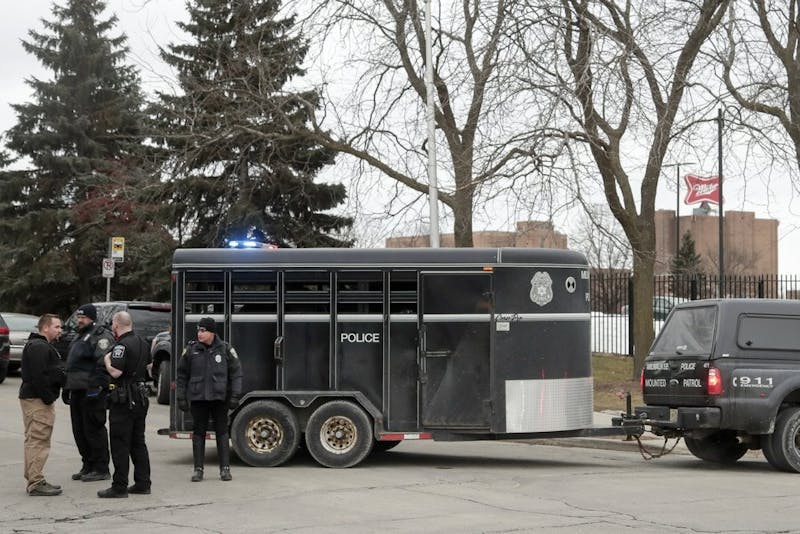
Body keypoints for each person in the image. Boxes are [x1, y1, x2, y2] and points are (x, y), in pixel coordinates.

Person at [176, 317, 242, 482]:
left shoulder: (225, 349)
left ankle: (225, 469)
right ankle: (198, 469)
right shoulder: (191, 350)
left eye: (203, 330)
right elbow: (181, 375)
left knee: (221, 432)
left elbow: (236, 373)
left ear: (212, 332)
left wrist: (235, 395)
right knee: (199, 433)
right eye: (198, 330)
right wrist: (181, 397)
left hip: (220, 398)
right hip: (199, 399)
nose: (199, 333)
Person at [98, 311, 151, 498]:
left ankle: (119, 486)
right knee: (138, 442)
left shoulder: (121, 346)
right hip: (141, 398)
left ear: (116, 324)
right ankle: (143, 482)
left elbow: (116, 373)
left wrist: (106, 361)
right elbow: (148, 366)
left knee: (120, 442)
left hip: (124, 399)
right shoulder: (143, 343)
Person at [63, 303, 114, 482]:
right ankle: (88, 464)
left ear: (92, 318)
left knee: (93, 428)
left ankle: (101, 468)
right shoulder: (80, 335)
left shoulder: (101, 336)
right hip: (76, 389)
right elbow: (73, 363)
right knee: (79, 430)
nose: (80, 320)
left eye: (83, 317)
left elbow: (103, 362)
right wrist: (67, 386)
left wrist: (97, 387)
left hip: (92, 391)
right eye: (79, 317)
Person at [19, 314, 66, 496]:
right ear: (45, 328)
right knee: (39, 439)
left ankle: (33, 476)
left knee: (34, 439)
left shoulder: (40, 345)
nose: (60, 330)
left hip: (35, 398)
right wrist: (48, 397)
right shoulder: (39, 347)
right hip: (37, 400)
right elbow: (39, 376)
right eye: (56, 327)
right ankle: (36, 482)